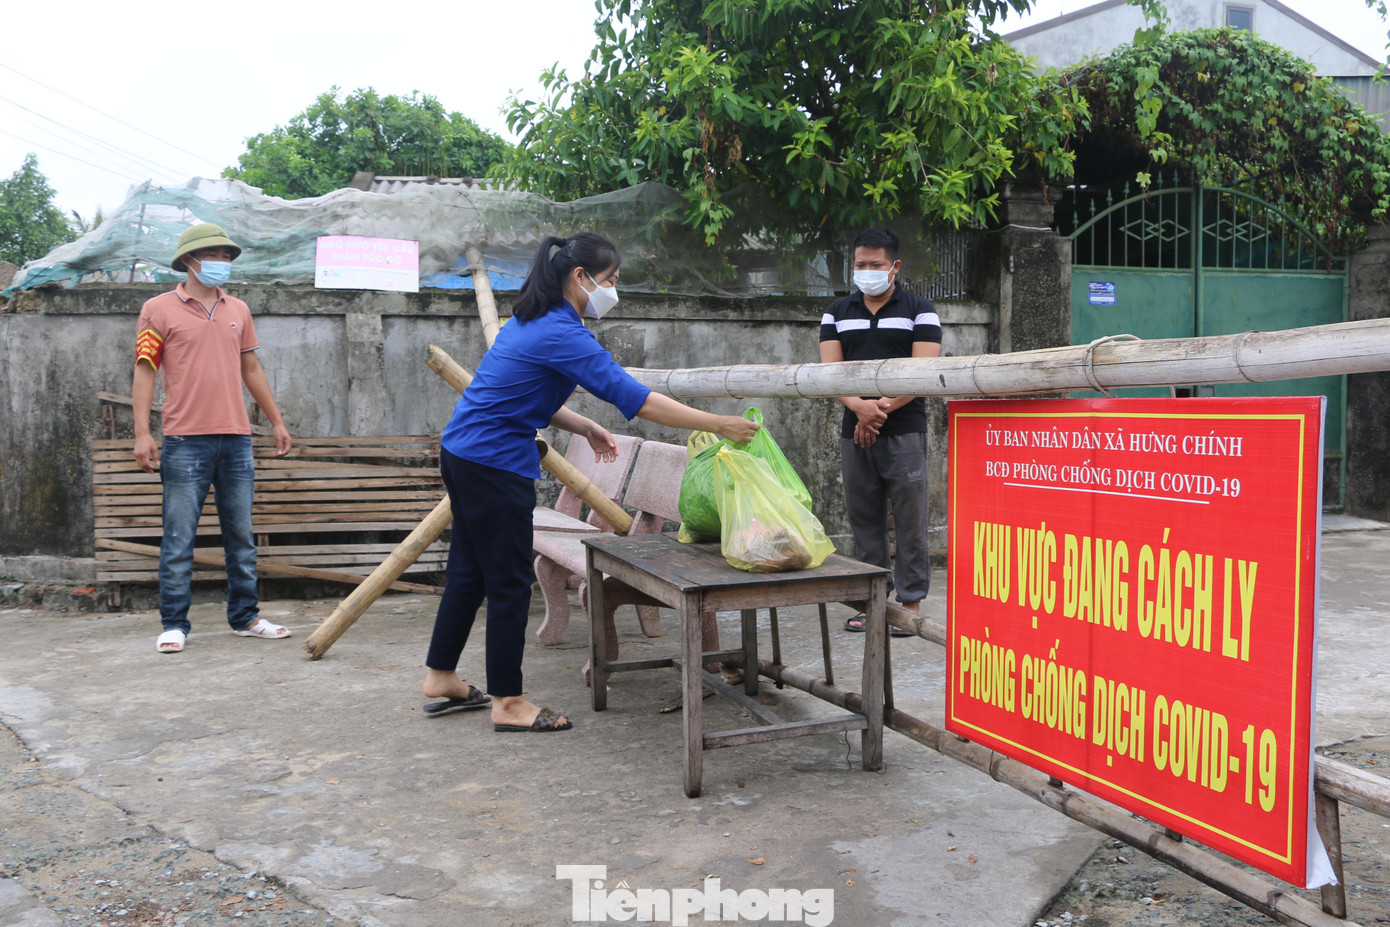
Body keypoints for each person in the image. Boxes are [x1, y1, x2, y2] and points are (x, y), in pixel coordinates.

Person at [422, 231, 760, 733]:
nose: (613, 291)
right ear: (580, 277)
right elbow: (637, 399)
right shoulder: (563, 332)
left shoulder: (532, 320)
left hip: (465, 453)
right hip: (493, 464)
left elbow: (520, 393)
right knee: (510, 582)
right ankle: (509, 703)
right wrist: (719, 423)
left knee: (470, 571)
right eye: (610, 280)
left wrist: (584, 425)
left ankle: (441, 675)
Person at [133, 223, 294, 654]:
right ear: (189, 260)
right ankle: (173, 624)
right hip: (184, 440)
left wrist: (276, 421)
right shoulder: (157, 309)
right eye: (214, 256)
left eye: (227, 256)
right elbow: (145, 368)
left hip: (237, 439)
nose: (222, 263)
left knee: (240, 537)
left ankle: (245, 617)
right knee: (178, 538)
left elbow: (252, 370)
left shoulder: (238, 309)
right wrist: (142, 434)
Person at [819, 227, 942, 636]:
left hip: (904, 428)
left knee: (910, 518)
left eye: (875, 265)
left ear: (895, 266)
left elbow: (922, 370)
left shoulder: (920, 310)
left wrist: (881, 409)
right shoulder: (836, 312)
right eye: (860, 265)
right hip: (854, 430)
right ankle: (870, 602)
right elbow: (830, 371)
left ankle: (910, 605)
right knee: (864, 518)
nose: (867, 272)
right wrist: (859, 408)